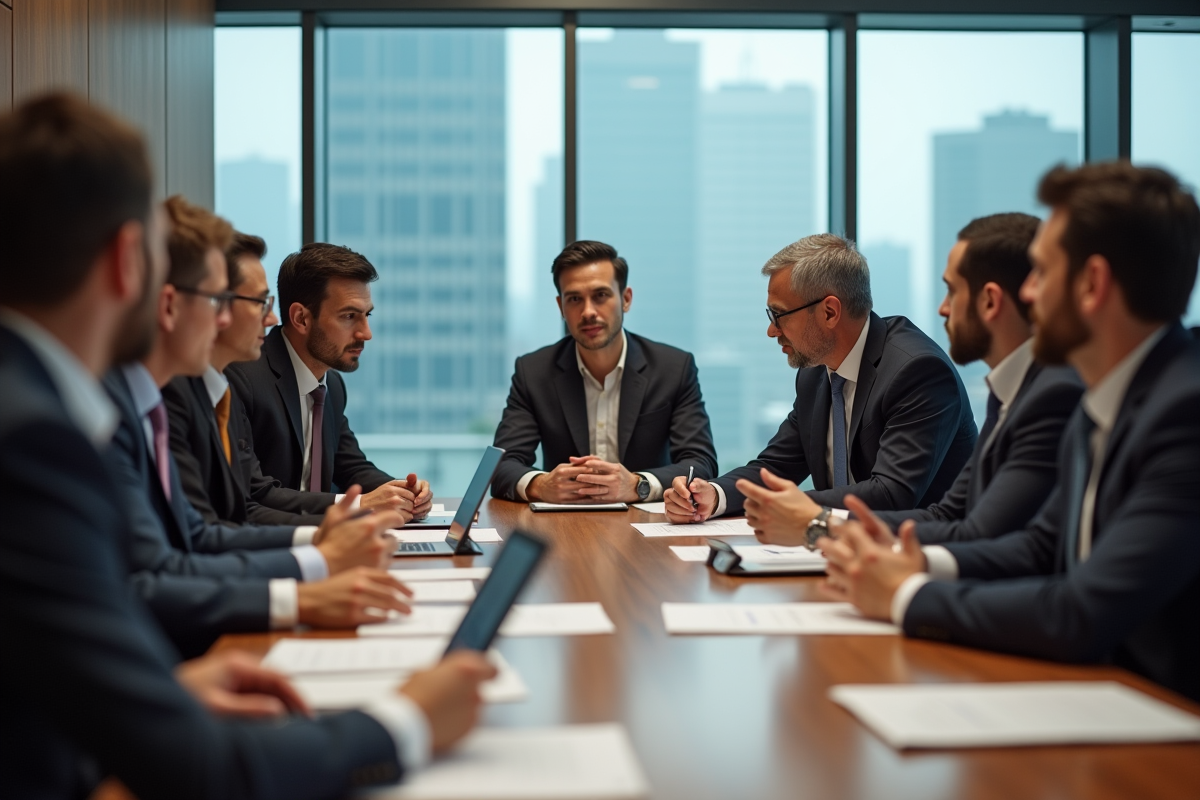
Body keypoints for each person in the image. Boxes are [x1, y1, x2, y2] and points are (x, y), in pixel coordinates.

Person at [0, 91, 494, 800]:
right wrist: (406, 720)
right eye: (226, 297)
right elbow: (201, 767)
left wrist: (166, 688)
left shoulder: (46, 409)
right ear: (129, 262)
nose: (244, 319)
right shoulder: (38, 440)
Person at [819, 162, 1200, 703]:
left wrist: (906, 595)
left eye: (1042, 274)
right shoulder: (1107, 398)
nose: (1030, 295)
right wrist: (914, 563)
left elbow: (1081, 611)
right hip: (1096, 696)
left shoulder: (1184, 413)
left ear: (1092, 285)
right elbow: (1041, 547)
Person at [105, 196, 413, 656]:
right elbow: (197, 543)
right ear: (167, 304)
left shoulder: (191, 392)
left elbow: (201, 533)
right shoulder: (180, 396)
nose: (260, 318)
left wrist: (349, 523)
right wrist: (311, 570)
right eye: (221, 301)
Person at [664, 233, 977, 540]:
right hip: (841, 552)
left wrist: (795, 508)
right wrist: (713, 495)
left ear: (830, 312)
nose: (772, 331)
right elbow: (776, 466)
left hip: (924, 559)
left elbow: (892, 494)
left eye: (779, 314)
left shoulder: (916, 371)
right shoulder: (815, 372)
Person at [491, 240, 718, 503]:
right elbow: (501, 466)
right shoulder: (533, 372)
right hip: (563, 528)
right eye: (574, 299)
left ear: (625, 299)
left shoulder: (673, 368)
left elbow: (700, 464)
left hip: (646, 529)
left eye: (600, 295)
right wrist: (541, 485)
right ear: (560, 306)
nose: (588, 312)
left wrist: (637, 484)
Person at [227, 242, 433, 516]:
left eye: (367, 315)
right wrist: (359, 505)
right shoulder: (243, 377)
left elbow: (351, 466)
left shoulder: (331, 385)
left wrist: (403, 493)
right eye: (349, 316)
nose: (366, 333)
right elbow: (253, 493)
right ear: (301, 318)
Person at [164, 232, 328, 527]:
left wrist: (332, 530)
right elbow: (201, 533)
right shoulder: (176, 397)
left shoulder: (219, 393)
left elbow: (242, 509)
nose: (272, 318)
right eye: (260, 302)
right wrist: (323, 538)